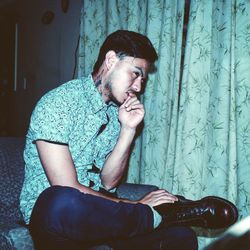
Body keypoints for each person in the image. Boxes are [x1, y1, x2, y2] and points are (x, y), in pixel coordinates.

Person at [19, 30, 237, 250]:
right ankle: (154, 216)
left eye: (143, 79)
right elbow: (67, 185)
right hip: (55, 217)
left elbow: (109, 183)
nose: (138, 87)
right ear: (111, 60)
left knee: (181, 235)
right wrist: (137, 205)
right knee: (61, 201)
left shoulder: (116, 113)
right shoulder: (57, 103)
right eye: (135, 73)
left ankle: (157, 218)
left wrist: (128, 130)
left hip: (105, 217)